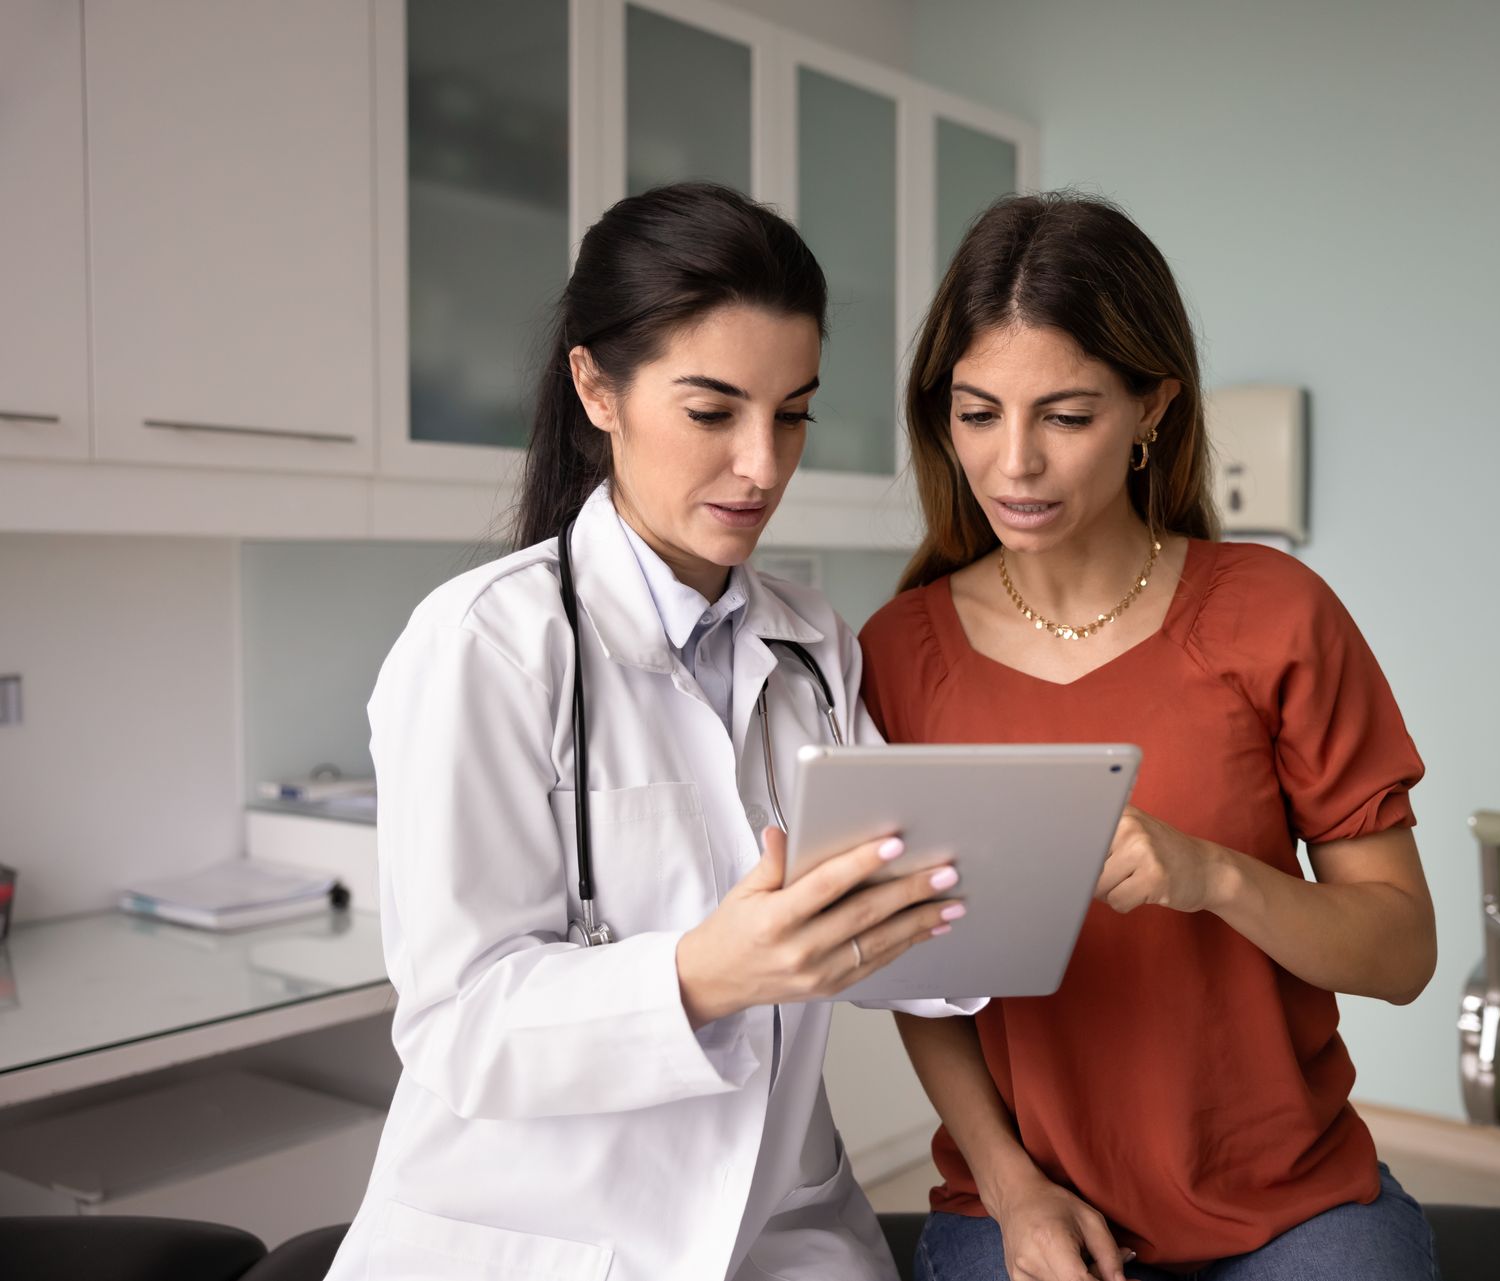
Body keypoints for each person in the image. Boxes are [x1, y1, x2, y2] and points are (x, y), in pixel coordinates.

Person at [326, 182, 977, 1281]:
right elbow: (459, 1029)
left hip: (782, 1238)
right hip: (535, 1246)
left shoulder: (814, 642)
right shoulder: (486, 646)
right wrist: (700, 975)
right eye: (713, 411)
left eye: (793, 412)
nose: (764, 465)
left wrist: (996, 887)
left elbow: (885, 924)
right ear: (597, 387)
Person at [860, 193, 1439, 1281]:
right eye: (978, 413)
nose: (1014, 465)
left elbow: (1402, 952)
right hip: (1020, 1202)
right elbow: (914, 979)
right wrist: (1011, 1187)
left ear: (1152, 408)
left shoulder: (1275, 614)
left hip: (1291, 1207)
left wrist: (1214, 875)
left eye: (1067, 416)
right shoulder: (896, 656)